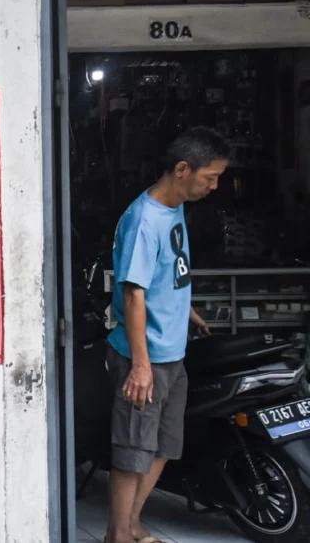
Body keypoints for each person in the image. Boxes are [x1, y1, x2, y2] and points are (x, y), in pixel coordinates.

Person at [105, 127, 227, 543]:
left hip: (171, 354)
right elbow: (133, 293)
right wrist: (140, 366)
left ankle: (132, 523)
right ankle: (118, 535)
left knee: (163, 446)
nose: (214, 185)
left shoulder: (172, 209)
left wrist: (185, 308)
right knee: (133, 451)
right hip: (146, 358)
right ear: (181, 169)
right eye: (209, 177)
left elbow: (164, 274)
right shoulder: (144, 220)